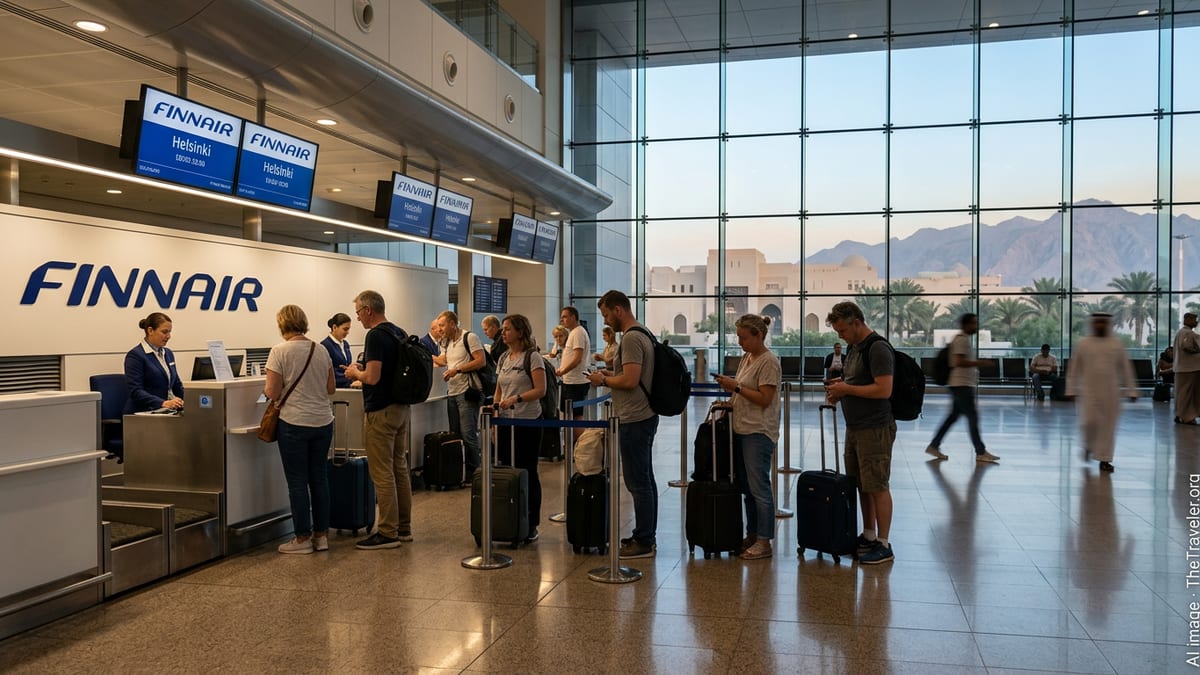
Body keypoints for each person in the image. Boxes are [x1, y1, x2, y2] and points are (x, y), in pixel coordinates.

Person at [587, 290, 658, 559]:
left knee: (638, 482)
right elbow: (630, 375)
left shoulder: (630, 338)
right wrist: (610, 374)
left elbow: (629, 381)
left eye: (606, 314)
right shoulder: (644, 333)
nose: (606, 321)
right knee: (645, 480)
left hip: (634, 418)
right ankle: (645, 535)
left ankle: (644, 541)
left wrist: (602, 380)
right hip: (644, 414)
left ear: (618, 310)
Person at [824, 301, 896, 565]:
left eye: (842, 329)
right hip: (855, 427)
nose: (840, 335)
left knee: (877, 485)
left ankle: (884, 543)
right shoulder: (855, 348)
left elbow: (883, 389)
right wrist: (839, 388)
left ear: (856, 322)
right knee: (861, 485)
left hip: (875, 428)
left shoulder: (878, 348)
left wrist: (847, 390)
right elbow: (856, 382)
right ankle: (868, 534)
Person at [343, 290, 413, 549]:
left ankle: (387, 532)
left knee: (382, 473)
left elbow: (372, 377)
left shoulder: (375, 335)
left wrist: (355, 372)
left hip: (381, 411)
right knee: (399, 470)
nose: (358, 318)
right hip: (402, 409)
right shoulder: (398, 332)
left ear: (368, 310)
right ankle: (403, 528)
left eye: (359, 312)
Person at [264, 305, 336, 554]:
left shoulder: (279, 351)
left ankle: (302, 539)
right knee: (319, 478)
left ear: (282, 324)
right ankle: (322, 536)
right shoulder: (322, 349)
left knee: (297, 482)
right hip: (323, 422)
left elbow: (272, 392)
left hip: (293, 423)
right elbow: (330, 388)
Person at [714, 314, 779, 561]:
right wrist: (730, 396)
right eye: (738, 337)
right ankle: (753, 533)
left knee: (759, 487)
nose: (740, 342)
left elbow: (764, 398)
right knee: (748, 489)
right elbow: (743, 390)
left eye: (744, 337)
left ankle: (764, 540)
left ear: (758, 336)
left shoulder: (769, 362)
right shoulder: (746, 358)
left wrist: (736, 388)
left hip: (758, 431)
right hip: (742, 427)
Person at [492, 314, 547, 543]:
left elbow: (540, 390)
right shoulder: (504, 357)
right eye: (503, 329)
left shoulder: (532, 357)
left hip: (528, 422)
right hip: (506, 421)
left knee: (527, 470)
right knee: (507, 470)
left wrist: (518, 398)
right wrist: (496, 412)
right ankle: (509, 518)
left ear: (520, 332)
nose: (503, 333)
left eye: (507, 329)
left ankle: (531, 522)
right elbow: (499, 389)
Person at [1066, 313, 1138, 471]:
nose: (1100, 325)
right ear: (1092, 324)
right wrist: (1071, 388)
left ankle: (1105, 459)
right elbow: (1075, 368)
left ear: (1108, 324)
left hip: (1111, 392)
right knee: (1088, 423)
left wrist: (1132, 390)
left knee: (1108, 427)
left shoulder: (1117, 344)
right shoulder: (1083, 344)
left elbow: (1126, 368)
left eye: (1103, 323)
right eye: (1097, 322)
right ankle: (1088, 446)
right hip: (1088, 391)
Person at [925, 313, 1000, 463]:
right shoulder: (961, 340)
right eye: (973, 323)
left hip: (960, 384)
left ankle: (934, 445)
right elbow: (958, 362)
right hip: (961, 385)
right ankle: (980, 451)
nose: (975, 326)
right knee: (972, 417)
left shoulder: (963, 339)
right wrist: (980, 363)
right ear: (966, 325)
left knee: (953, 417)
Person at [434, 310, 487, 475]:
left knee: (468, 434)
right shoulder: (447, 343)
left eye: (442, 325)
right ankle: (460, 472)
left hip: (467, 392)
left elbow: (481, 360)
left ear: (452, 323)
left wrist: (457, 370)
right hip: (452, 392)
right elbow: (444, 360)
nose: (440, 329)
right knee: (455, 433)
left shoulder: (469, 338)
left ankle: (476, 473)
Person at [124, 312, 185, 413]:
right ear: (150, 330)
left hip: (166, 411)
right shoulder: (136, 356)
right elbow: (136, 391)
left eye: (170, 332)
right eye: (164, 332)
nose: (168, 336)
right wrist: (163, 403)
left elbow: (177, 385)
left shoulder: (168, 353)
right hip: (143, 413)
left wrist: (193, 400)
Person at [557, 306, 591, 422]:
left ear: (573, 317)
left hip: (576, 382)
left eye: (565, 317)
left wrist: (562, 371)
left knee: (576, 415)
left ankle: (577, 440)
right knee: (568, 413)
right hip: (570, 381)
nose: (562, 320)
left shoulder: (578, 333)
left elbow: (577, 358)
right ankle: (570, 439)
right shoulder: (573, 333)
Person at [1174, 313, 1200, 425]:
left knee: (1182, 393)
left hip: (1181, 367)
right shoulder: (1188, 333)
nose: (1196, 322)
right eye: (1194, 320)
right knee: (1189, 393)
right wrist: (1198, 351)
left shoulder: (1180, 332)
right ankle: (1188, 417)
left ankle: (1180, 414)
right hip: (1190, 368)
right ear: (1187, 319)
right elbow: (1186, 347)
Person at [321, 312, 356, 388]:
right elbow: (328, 372)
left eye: (348, 329)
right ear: (334, 327)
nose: (348, 332)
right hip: (335, 389)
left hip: (347, 387)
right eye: (345, 329)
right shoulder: (325, 345)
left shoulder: (345, 344)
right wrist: (352, 377)